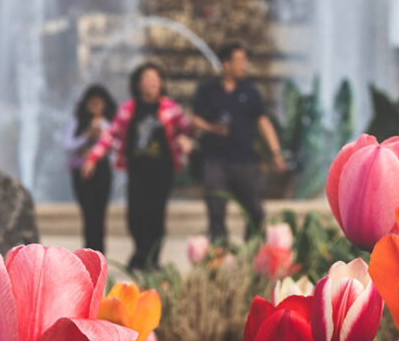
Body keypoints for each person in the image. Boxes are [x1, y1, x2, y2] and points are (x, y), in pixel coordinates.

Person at [82, 62, 192, 270]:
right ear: (138, 84)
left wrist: (185, 138)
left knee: (156, 215)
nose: (153, 83)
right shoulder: (128, 110)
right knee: (135, 215)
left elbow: (185, 129)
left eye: (156, 78)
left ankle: (151, 259)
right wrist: (92, 158)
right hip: (137, 170)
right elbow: (110, 135)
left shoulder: (170, 108)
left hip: (162, 170)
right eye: (148, 79)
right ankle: (141, 252)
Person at [192, 42, 286, 242]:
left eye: (245, 61)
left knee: (254, 209)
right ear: (226, 64)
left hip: (245, 160)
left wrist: (276, 153)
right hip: (215, 160)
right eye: (240, 61)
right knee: (215, 209)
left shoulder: (250, 90)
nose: (244, 65)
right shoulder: (208, 89)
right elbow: (195, 118)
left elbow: (263, 121)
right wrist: (211, 128)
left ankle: (251, 250)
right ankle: (220, 252)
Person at [64, 84, 117, 253]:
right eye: (92, 104)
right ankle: (89, 249)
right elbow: (68, 145)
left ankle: (100, 251)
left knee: (100, 213)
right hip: (82, 172)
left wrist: (103, 134)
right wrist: (87, 135)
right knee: (88, 212)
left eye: (99, 104)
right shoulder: (78, 121)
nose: (95, 108)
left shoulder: (109, 123)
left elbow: (117, 145)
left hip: (101, 171)